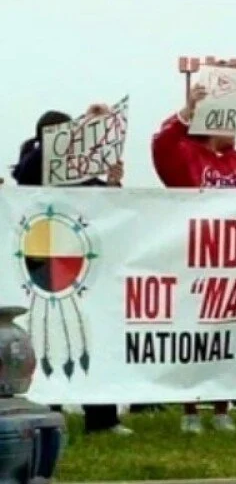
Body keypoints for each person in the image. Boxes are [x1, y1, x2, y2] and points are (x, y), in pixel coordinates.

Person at [151, 84, 236, 433]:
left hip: (233, 263)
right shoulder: (185, 154)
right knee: (194, 334)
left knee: (229, 334)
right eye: (229, 120)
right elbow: (161, 146)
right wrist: (187, 110)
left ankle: (223, 407)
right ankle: (190, 409)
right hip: (194, 258)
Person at [12, 106, 129, 436]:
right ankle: (47, 412)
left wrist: (113, 184)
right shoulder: (32, 169)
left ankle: (102, 418)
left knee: (90, 335)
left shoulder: (81, 175)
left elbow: (104, 210)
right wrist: (80, 124)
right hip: (41, 265)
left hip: (80, 267)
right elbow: (26, 172)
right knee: (44, 338)